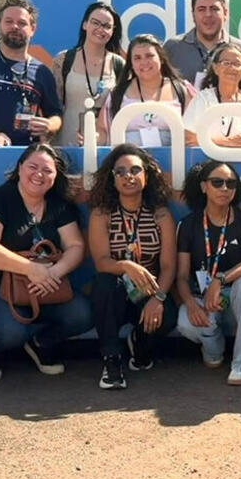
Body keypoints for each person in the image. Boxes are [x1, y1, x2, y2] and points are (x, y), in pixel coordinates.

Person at [0, 143, 94, 382]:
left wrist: (54, 272)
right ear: (19, 167)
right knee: (9, 331)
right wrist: (30, 270)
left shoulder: (58, 205)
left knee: (83, 315)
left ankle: (41, 341)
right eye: (33, 167)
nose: (39, 175)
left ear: (56, 176)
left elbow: (75, 246)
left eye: (47, 171)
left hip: (46, 286)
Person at [87, 144, 179, 390]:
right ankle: (112, 360)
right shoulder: (102, 214)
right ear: (112, 179)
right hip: (116, 288)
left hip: (148, 290)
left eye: (135, 170)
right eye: (120, 171)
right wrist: (128, 266)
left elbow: (169, 266)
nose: (128, 176)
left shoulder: (161, 215)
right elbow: (101, 262)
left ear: (146, 176)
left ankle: (139, 341)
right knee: (105, 284)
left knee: (168, 316)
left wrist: (158, 298)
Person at [174, 161, 241, 385]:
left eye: (230, 183)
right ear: (203, 187)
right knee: (185, 321)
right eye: (217, 182)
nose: (224, 188)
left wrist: (221, 279)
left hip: (239, 301)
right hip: (205, 301)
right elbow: (181, 276)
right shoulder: (188, 225)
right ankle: (213, 349)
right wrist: (190, 303)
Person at [0, 0, 63, 146]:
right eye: (9, 21)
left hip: (26, 157)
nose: (15, 27)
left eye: (22, 23)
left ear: (33, 29)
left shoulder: (42, 72)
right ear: (0, 24)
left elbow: (56, 114)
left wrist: (50, 125)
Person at [99, 35, 190, 148]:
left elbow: (194, 132)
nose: (144, 62)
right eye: (137, 58)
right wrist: (91, 137)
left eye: (149, 56)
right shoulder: (117, 94)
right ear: (131, 64)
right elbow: (103, 132)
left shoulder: (183, 90)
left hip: (175, 162)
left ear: (161, 59)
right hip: (130, 162)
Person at [55, 1, 125, 146]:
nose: (101, 29)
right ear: (85, 24)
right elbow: (53, 106)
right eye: (95, 23)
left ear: (112, 31)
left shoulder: (119, 65)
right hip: (66, 145)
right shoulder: (64, 60)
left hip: (104, 148)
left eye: (107, 26)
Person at [163, 0, 241, 89]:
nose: (208, 14)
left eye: (214, 9)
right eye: (201, 9)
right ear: (193, 15)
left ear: (225, 14)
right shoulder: (172, 48)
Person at [183, 40, 241, 148]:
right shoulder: (203, 99)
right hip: (210, 162)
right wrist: (226, 141)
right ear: (215, 68)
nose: (231, 68)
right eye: (226, 63)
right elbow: (186, 137)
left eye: (237, 64)